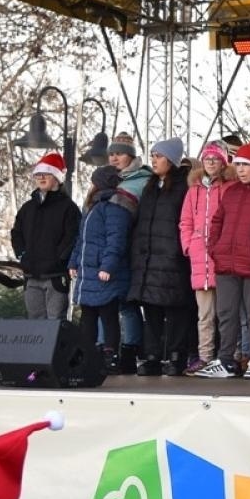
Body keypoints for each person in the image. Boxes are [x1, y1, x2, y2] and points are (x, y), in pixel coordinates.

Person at [208, 138, 250, 378]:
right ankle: (225, 360)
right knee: (225, 314)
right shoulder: (231, 191)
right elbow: (217, 221)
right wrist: (214, 249)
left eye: (246, 165)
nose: (241, 170)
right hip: (226, 262)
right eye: (238, 166)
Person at [125, 138, 191, 376]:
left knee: (174, 311)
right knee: (151, 310)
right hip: (148, 259)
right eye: (152, 155)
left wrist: (178, 252)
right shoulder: (150, 187)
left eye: (159, 156)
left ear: (171, 160)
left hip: (173, 259)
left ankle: (176, 356)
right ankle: (152, 356)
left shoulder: (184, 187)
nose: (154, 160)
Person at [69, 166, 132, 372]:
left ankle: (110, 354)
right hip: (88, 273)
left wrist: (108, 266)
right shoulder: (92, 207)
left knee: (108, 315)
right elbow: (82, 240)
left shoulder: (114, 207)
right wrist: (73, 262)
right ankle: (86, 353)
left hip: (103, 272)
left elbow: (117, 239)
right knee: (87, 316)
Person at [180, 142, 233, 376]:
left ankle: (230, 356)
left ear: (223, 162)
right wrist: (189, 246)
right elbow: (185, 222)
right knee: (204, 314)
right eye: (207, 158)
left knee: (227, 312)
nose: (211, 163)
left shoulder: (230, 187)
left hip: (222, 255)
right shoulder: (194, 190)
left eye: (216, 159)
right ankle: (205, 357)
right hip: (199, 256)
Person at [10, 152, 80, 321]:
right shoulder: (27, 208)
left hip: (55, 276)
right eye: (38, 174)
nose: (41, 178)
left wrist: (59, 259)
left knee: (56, 321)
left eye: (46, 174)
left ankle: (57, 349)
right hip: (31, 274)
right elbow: (16, 233)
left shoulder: (69, 208)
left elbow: (73, 237)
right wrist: (22, 255)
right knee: (35, 322)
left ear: (56, 177)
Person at [105, 134, 153, 366]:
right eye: (111, 153)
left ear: (131, 156)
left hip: (133, 248)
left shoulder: (143, 180)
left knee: (128, 303)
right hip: (110, 249)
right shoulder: (107, 180)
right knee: (105, 303)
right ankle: (105, 348)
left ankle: (130, 348)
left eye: (119, 153)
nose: (114, 158)